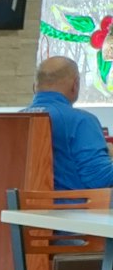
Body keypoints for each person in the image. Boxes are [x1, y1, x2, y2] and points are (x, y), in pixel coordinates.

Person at [31, 55, 113, 190]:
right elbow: (98, 179)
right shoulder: (81, 121)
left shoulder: (15, 120)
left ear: (35, 87)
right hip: (73, 208)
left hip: (20, 208)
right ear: (75, 85)